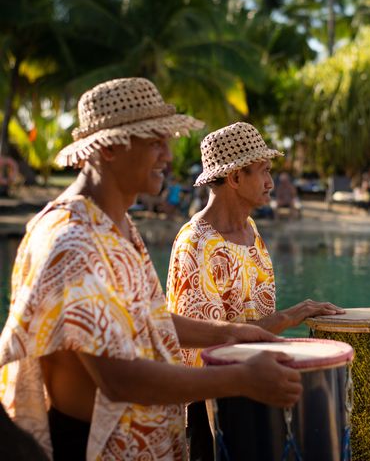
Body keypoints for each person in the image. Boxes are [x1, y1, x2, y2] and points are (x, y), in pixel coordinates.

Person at [0, 78, 303, 460]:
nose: (168, 155)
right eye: (154, 142)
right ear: (109, 149)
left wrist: (233, 331)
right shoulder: (72, 242)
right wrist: (240, 377)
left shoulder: (115, 225)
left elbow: (149, 319)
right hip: (92, 445)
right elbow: (118, 378)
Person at [165, 121, 343, 459]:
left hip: (257, 386)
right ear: (234, 178)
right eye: (262, 172)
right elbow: (211, 345)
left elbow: (250, 319)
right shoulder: (197, 243)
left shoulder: (250, 229)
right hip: (214, 406)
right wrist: (288, 318)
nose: (271, 183)